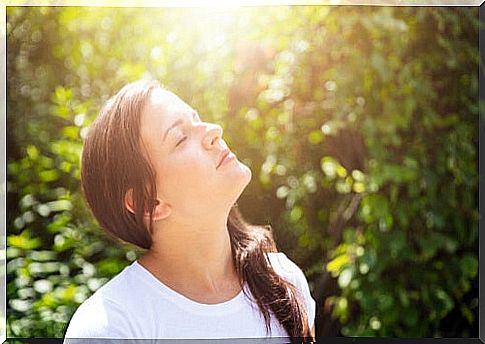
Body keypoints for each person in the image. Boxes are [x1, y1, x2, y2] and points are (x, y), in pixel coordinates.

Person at [64, 79, 316, 341]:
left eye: (198, 119)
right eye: (181, 138)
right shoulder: (111, 327)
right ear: (148, 204)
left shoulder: (284, 281)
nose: (214, 131)